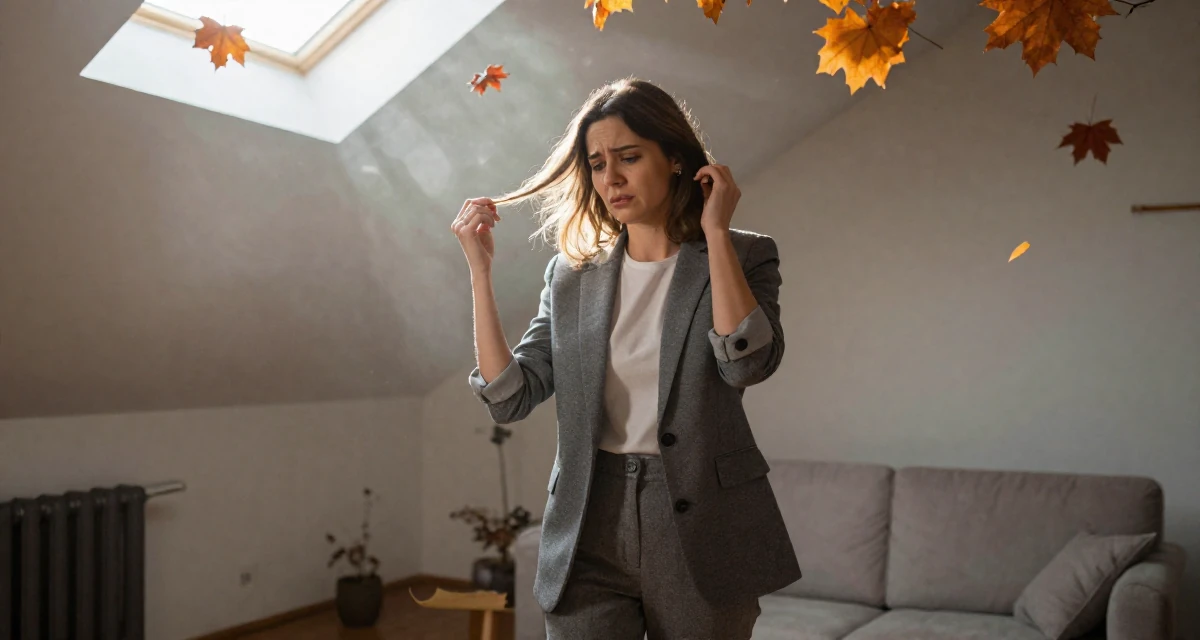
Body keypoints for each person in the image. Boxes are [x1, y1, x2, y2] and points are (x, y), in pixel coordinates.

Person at [451, 77, 801, 640]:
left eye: (629, 157)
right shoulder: (572, 275)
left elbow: (747, 366)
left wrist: (714, 234)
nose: (610, 177)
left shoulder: (744, 254)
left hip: (700, 519)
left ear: (677, 160)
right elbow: (511, 397)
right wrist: (480, 274)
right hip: (590, 514)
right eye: (595, 163)